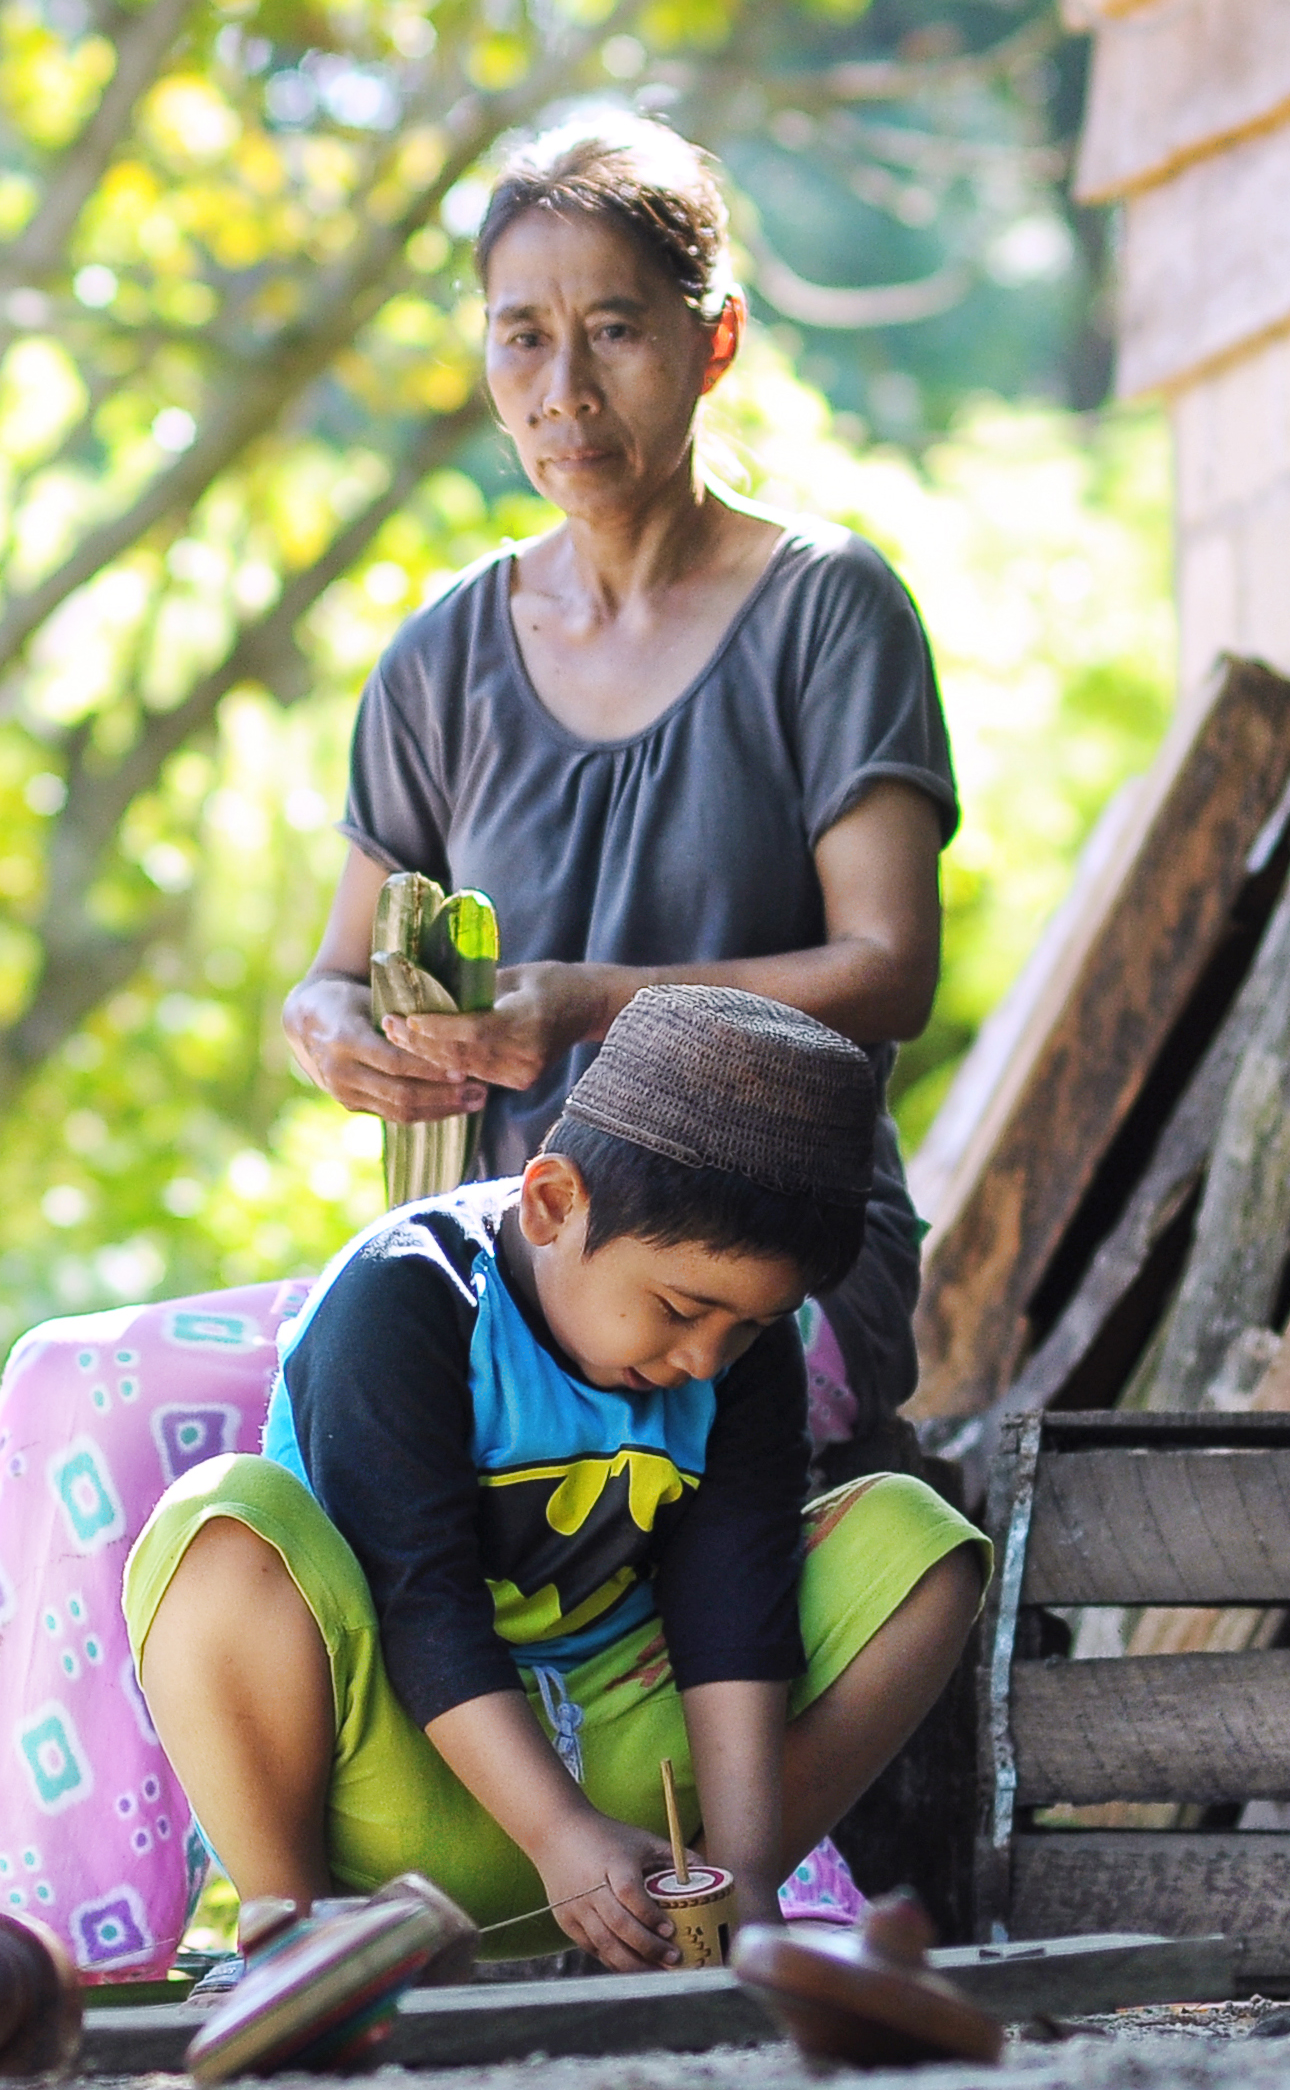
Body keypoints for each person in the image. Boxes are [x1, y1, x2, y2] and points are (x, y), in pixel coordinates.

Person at [281, 111, 955, 1461]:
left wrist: (593, 1005)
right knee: (100, 1395)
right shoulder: (441, 661)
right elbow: (333, 975)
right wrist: (330, 1030)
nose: (564, 389)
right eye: (521, 332)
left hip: (756, 1278)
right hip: (516, 1270)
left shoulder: (827, 611)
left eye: (617, 329)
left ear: (716, 342)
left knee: (546, 1467)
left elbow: (889, 971)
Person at [126, 985, 985, 1965]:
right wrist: (554, 1833)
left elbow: (735, 1597)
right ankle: (299, 1948)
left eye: (748, 1325)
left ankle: (697, 1923)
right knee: (221, 1521)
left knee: (923, 1546)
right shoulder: (404, 1294)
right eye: (678, 1307)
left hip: (631, 1804)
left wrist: (742, 1867)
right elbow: (420, 1602)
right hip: (405, 1791)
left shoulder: (741, 1351)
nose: (707, 1358)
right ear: (552, 1204)